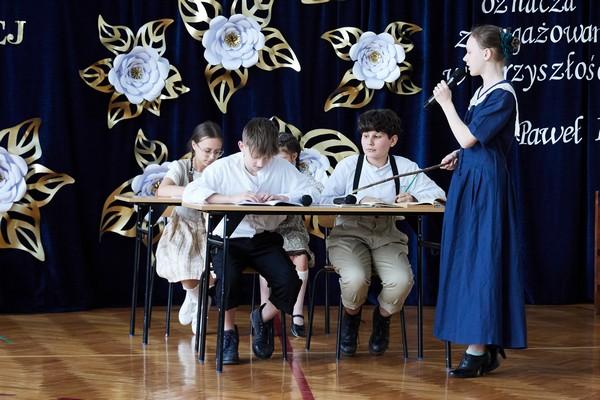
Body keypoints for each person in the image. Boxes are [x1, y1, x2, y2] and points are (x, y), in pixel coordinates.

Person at [182, 117, 320, 364]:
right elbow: (191, 193)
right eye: (255, 156)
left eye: (266, 157)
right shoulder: (222, 168)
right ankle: (228, 334)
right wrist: (231, 198)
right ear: (241, 146)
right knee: (228, 281)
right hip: (228, 238)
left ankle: (262, 318)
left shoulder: (282, 167)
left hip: (263, 239)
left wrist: (284, 196)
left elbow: (313, 192)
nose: (260, 163)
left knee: (290, 281)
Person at [432, 25, 526, 378]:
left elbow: (470, 138)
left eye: (469, 51)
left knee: (482, 261)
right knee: (468, 258)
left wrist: (446, 104)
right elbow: (472, 144)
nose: (465, 57)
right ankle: (482, 345)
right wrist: (459, 155)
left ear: (487, 54)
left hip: (486, 186)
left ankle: (479, 348)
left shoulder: (502, 95)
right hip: (471, 179)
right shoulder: (483, 93)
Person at [320, 109, 446, 356]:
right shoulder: (348, 166)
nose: (369, 142)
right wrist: (357, 199)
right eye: (365, 135)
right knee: (355, 278)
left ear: (393, 140)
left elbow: (439, 196)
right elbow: (323, 200)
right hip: (348, 234)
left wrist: (414, 197)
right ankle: (351, 319)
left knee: (401, 281)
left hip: (387, 235)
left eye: (377, 136)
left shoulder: (405, 167)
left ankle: (382, 318)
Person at [155, 121, 223, 334]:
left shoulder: (220, 171)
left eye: (217, 152)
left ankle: (195, 298)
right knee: (183, 258)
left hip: (211, 227)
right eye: (207, 151)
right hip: (183, 225)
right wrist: (193, 192)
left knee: (211, 265)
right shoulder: (182, 167)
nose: (212, 157)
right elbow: (163, 191)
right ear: (194, 145)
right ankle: (200, 300)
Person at [259, 132, 329, 337]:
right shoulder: (265, 172)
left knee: (300, 258)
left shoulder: (302, 173)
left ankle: (297, 311)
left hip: (292, 227)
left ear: (294, 156)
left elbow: (317, 191)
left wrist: (285, 196)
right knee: (264, 257)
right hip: (268, 227)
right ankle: (266, 312)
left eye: (282, 158)